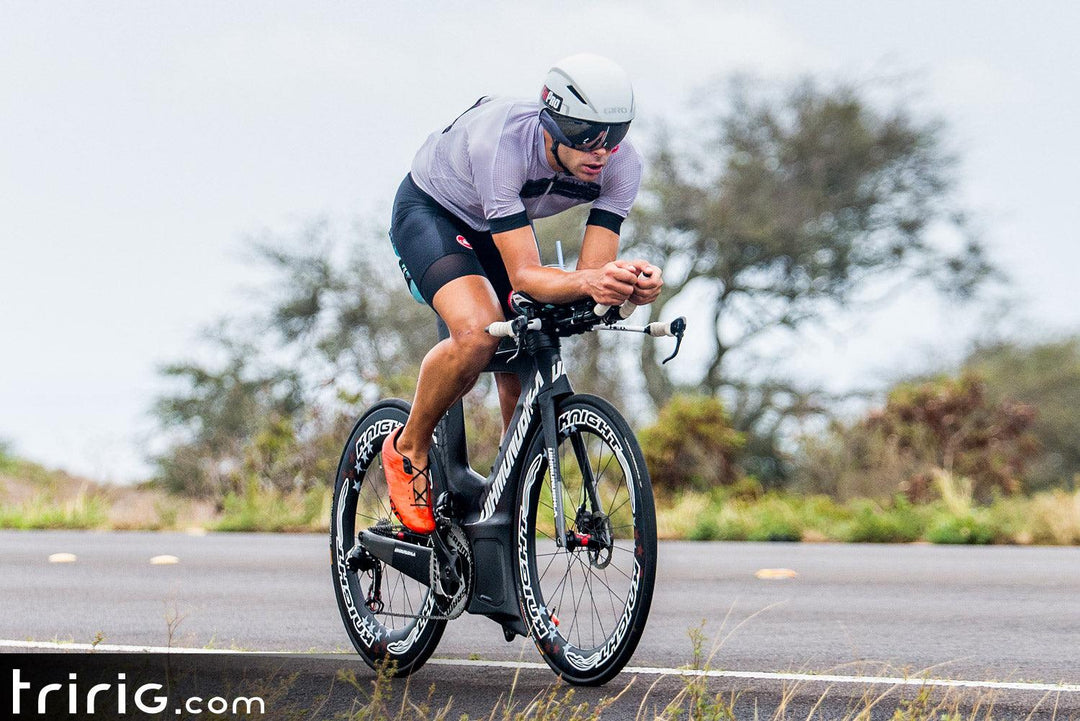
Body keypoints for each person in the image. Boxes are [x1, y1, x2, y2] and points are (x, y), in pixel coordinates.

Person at [383, 53, 663, 533]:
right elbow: (528, 276)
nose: (601, 150)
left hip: (499, 226)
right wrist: (588, 282)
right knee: (477, 332)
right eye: (585, 135)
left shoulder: (622, 166)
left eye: (614, 135)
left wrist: (625, 284)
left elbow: (588, 279)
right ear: (550, 122)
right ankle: (408, 447)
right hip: (434, 212)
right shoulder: (505, 143)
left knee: (526, 345)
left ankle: (505, 510)